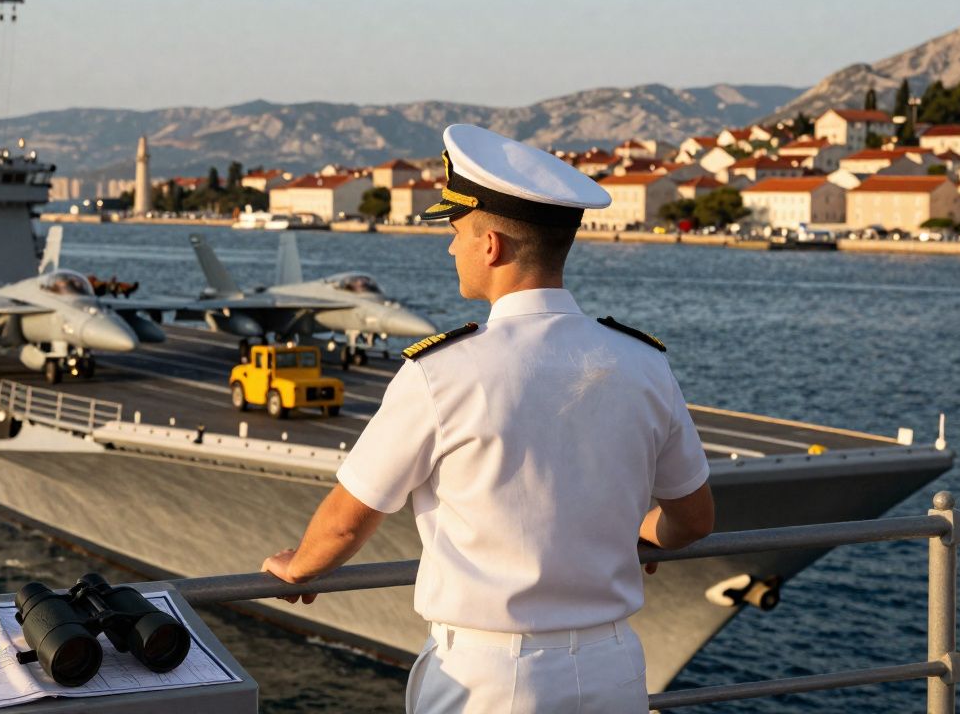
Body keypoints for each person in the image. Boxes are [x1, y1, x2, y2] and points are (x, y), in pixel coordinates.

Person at [261, 124, 715, 713]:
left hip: (493, 678)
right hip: (614, 667)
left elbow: (347, 524)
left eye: (455, 233)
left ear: (491, 245)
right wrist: (648, 533)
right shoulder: (642, 360)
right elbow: (695, 518)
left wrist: (298, 567)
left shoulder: (441, 371)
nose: (451, 247)